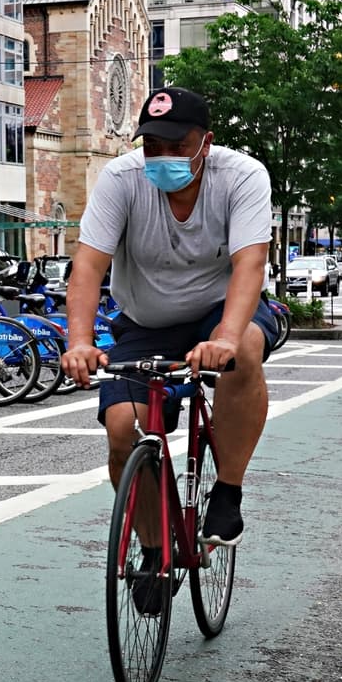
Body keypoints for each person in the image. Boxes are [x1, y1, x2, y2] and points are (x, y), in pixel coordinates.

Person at [61, 86, 278, 556]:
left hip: (221, 312)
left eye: (178, 147)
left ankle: (227, 490)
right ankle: (156, 547)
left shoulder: (241, 176)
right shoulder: (121, 179)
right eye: (153, 147)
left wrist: (225, 336)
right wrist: (79, 341)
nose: (163, 158)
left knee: (242, 352)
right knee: (122, 431)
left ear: (206, 142)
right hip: (146, 320)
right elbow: (88, 265)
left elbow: (249, 265)